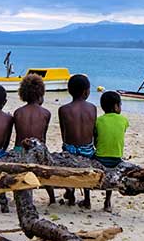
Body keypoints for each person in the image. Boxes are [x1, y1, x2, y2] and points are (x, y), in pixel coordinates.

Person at [57, 74, 97, 206]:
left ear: (69, 91)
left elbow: (64, 133)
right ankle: (87, 198)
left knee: (69, 164)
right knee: (86, 168)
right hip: (88, 150)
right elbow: (92, 131)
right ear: (86, 91)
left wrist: (67, 145)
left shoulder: (63, 109)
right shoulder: (93, 108)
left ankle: (71, 194)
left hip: (70, 149)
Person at [93, 90, 129, 212]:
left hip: (100, 158)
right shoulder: (124, 120)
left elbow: (96, 139)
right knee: (111, 174)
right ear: (116, 106)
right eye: (120, 105)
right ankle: (107, 201)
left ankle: (87, 199)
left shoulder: (98, 121)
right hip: (116, 159)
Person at [13, 74, 51, 148]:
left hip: (19, 149)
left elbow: (18, 135)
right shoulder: (46, 113)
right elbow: (43, 138)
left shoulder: (18, 112)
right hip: (37, 149)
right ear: (41, 93)